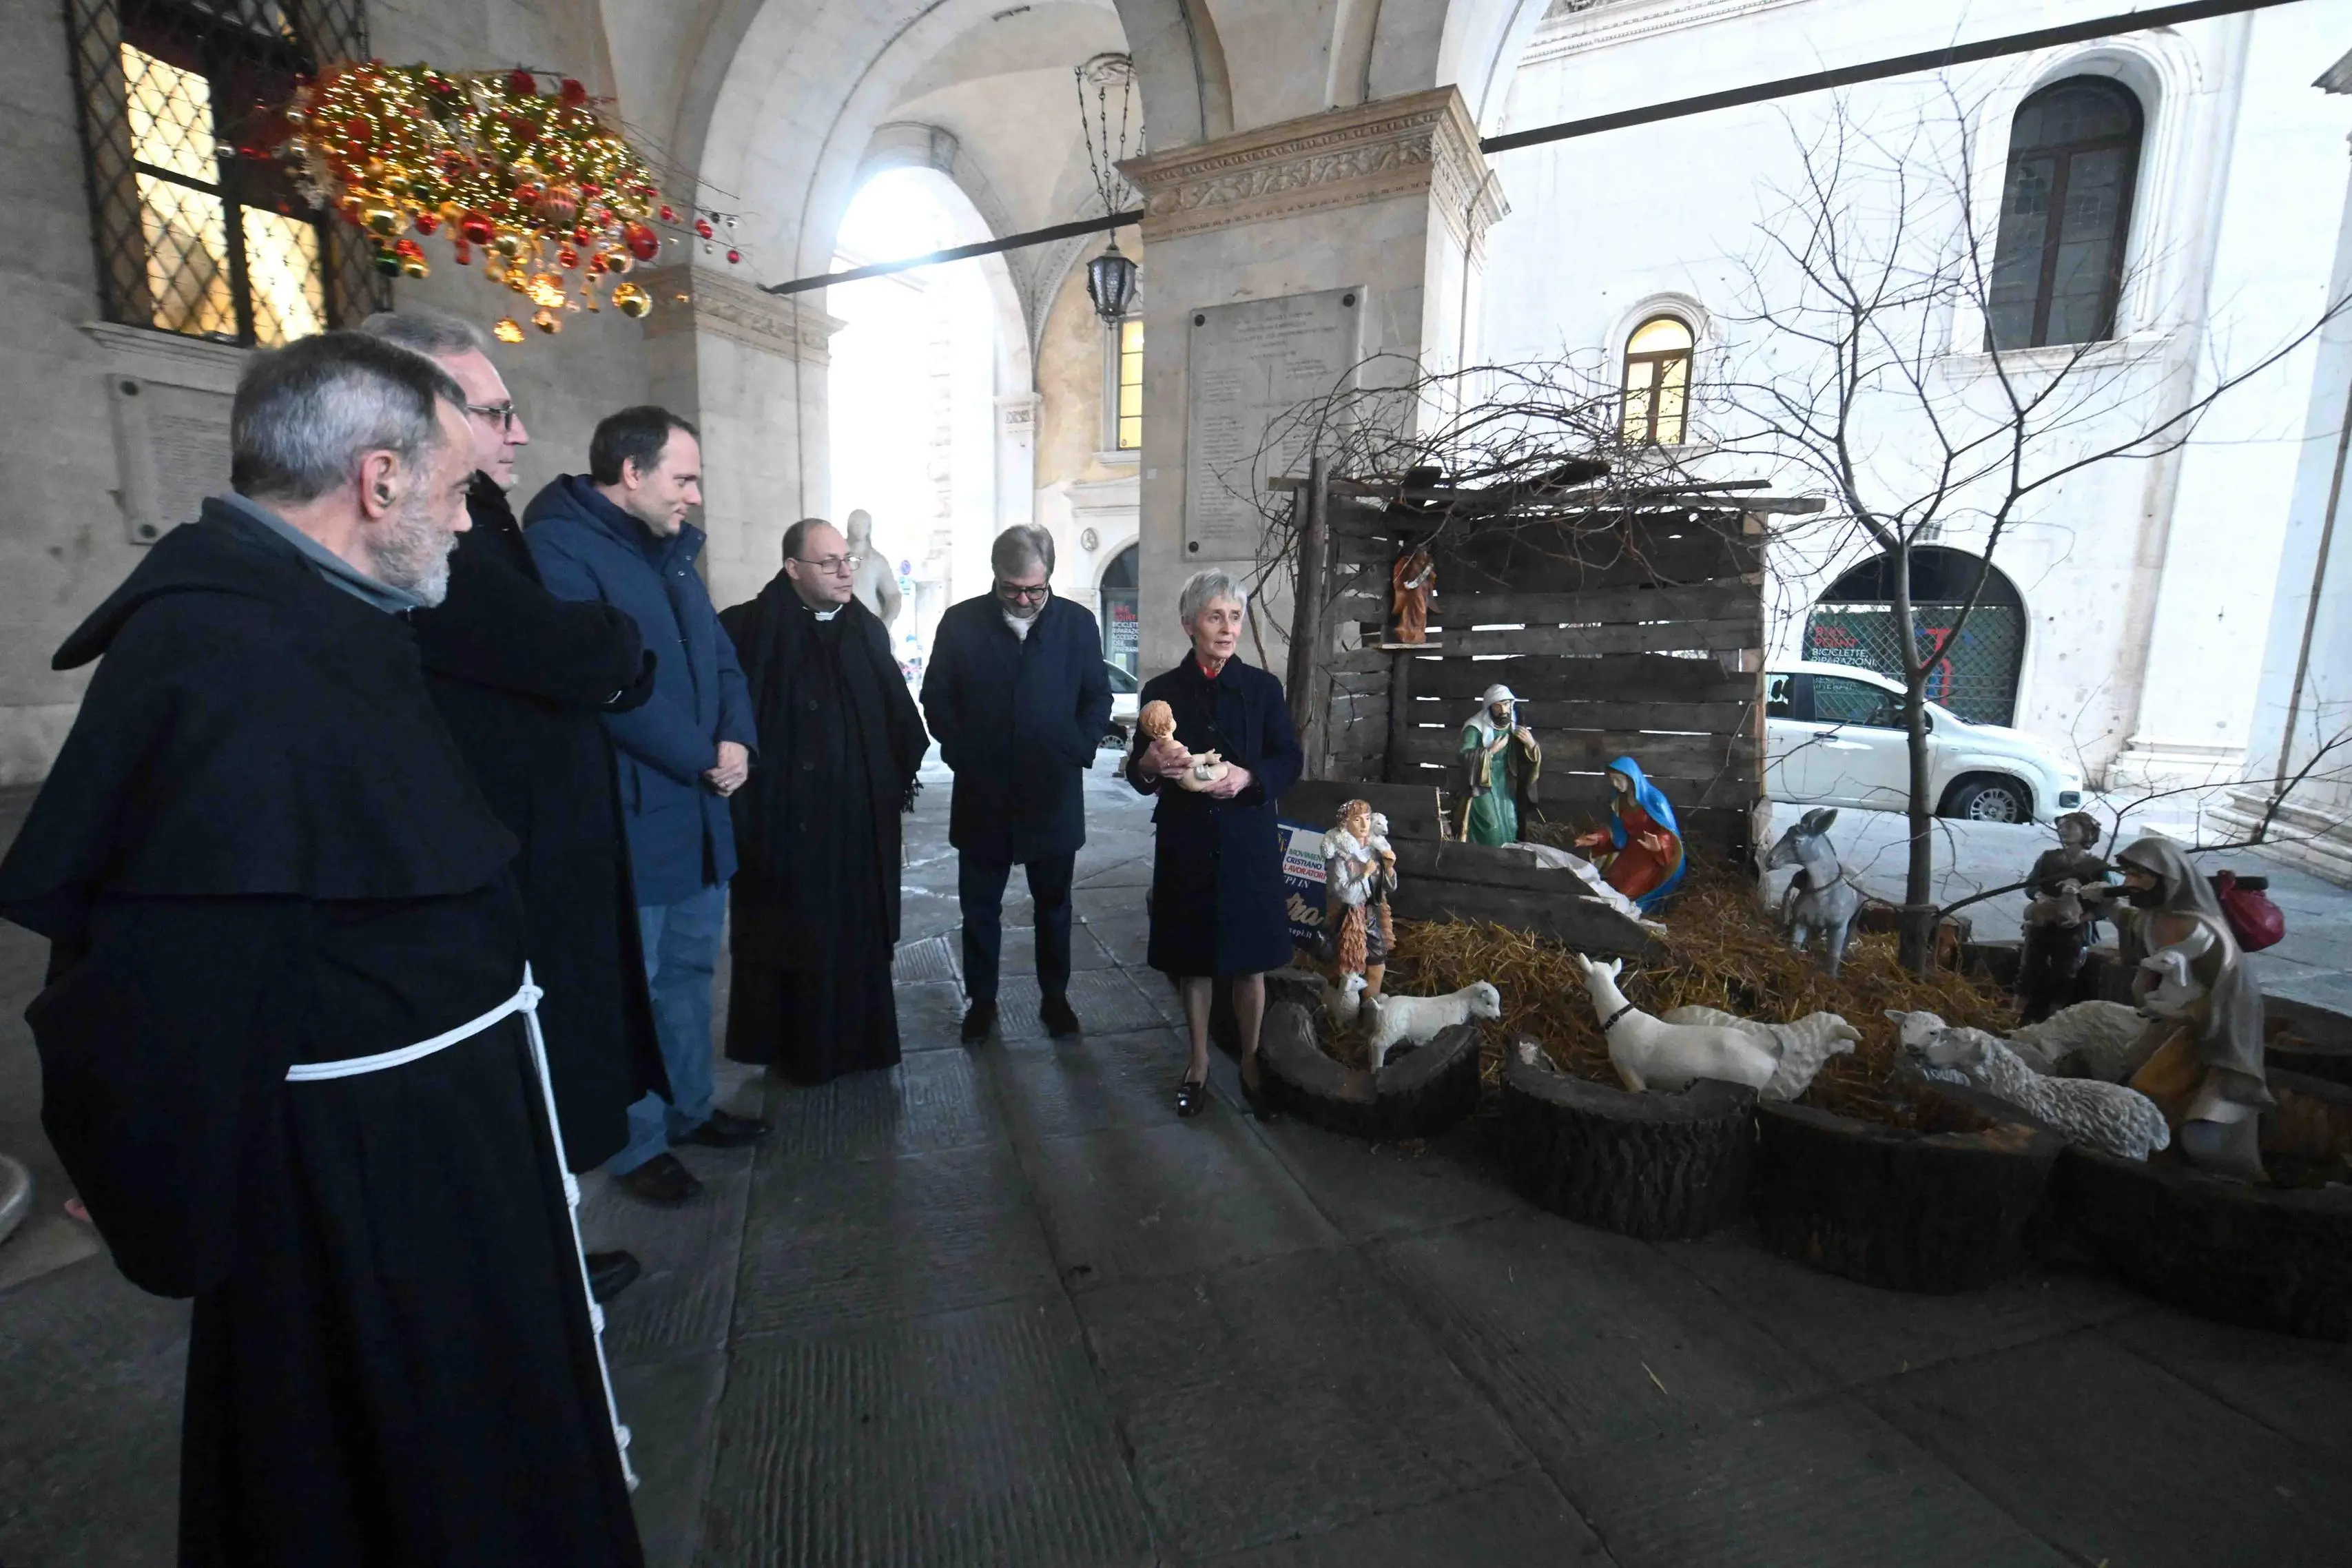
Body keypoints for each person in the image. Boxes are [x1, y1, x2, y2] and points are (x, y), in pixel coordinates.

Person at [0, 333, 642, 1565]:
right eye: (457, 492)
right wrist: (158, 1185)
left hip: (437, 1165)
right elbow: (160, 985)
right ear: (380, 480)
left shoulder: (323, 615)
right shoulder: (226, 657)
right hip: (367, 1207)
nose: (468, 524)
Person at [362, 307, 663, 1303]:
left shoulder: (479, 518)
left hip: (539, 842)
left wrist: (601, 656)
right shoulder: (432, 538)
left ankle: (545, 1266)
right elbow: (562, 647)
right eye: (495, 413)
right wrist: (606, 652)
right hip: (499, 859)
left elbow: (590, 654)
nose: (520, 434)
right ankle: (532, 1284)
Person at [526, 406, 769, 1206]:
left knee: (692, 974)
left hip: (699, 809)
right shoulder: (561, 546)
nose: (694, 497)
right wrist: (705, 756)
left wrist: (737, 738)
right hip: (634, 815)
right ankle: (637, 1144)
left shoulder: (669, 552)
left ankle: (691, 1109)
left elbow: (722, 661)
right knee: (635, 984)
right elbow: (601, 685)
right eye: (684, 478)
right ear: (631, 472)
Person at [719, 518, 929, 1083]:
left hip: (857, 820)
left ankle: (861, 1046)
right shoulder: (746, 628)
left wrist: (880, 782)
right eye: (829, 562)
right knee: (793, 937)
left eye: (848, 561)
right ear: (792, 569)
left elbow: (896, 719)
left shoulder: (863, 628)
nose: (845, 571)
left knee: (855, 937)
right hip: (783, 823)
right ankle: (798, 1054)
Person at [922, 524, 1113, 1042]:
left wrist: (1078, 746)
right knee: (979, 908)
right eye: (1013, 588)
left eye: (1035, 589)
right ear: (995, 576)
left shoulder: (1076, 624)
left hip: (1052, 793)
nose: (1025, 599)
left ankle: (1056, 998)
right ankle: (982, 1002)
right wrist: (961, 752)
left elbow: (1098, 697)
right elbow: (936, 697)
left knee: (1055, 906)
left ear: (1048, 578)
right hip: (983, 795)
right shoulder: (961, 623)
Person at [1127, 570, 1304, 1117]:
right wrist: (1150, 764)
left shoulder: (1262, 689)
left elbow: (1288, 759)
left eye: (1234, 616)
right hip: (1187, 840)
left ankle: (1250, 1060)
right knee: (1195, 962)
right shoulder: (1161, 694)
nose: (1227, 628)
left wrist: (1249, 779)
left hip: (1248, 838)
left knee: (1251, 964)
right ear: (1189, 625)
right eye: (1214, 617)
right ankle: (1199, 1061)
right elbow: (1138, 772)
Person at [2086, 834, 2273, 1182]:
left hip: (2206, 1026)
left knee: (2152, 1087)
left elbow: (2232, 987)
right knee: (2132, 1068)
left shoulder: (2202, 928)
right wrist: (2105, 903)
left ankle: (2168, 1158)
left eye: (2140, 876)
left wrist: (2191, 1016)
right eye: (2127, 875)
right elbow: (2131, 925)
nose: (2130, 884)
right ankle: (2152, 1152)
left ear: (2168, 878)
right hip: (2168, 1017)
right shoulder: (2151, 918)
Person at [1576, 755, 1686, 910]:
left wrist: (1659, 845)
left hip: (1651, 856)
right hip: (1631, 851)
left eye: (1619, 780)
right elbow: (1616, 830)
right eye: (1612, 780)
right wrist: (1599, 837)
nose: (1615, 784)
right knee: (1608, 885)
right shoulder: (1620, 801)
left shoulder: (1655, 800)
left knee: (1626, 894)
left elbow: (1668, 830)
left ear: (1631, 778)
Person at [1457, 683, 1541, 845]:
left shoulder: (1514, 725)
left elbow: (1526, 757)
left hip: (1506, 780)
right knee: (1491, 828)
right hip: (1482, 783)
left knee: (1511, 824)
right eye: (1498, 706)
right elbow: (1463, 756)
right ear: (1489, 707)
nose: (1503, 710)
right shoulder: (1474, 728)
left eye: (1506, 704)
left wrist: (1531, 745)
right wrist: (1490, 751)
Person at [843, 507, 902, 626]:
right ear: (849, 526)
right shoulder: (839, 557)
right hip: (842, 623)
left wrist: (886, 623)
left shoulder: (877, 560)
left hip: (870, 621)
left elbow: (893, 596)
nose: (859, 528)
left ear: (869, 528)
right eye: (856, 524)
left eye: (863, 524)